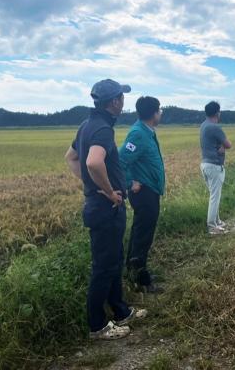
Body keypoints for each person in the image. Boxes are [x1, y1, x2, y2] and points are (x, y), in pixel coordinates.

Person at [64, 79, 147, 341]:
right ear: (114, 102)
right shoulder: (102, 129)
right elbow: (92, 161)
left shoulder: (86, 125)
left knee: (113, 261)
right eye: (122, 97)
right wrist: (109, 191)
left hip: (101, 206)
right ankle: (97, 325)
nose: (124, 101)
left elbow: (71, 158)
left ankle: (121, 311)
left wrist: (90, 185)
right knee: (103, 267)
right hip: (106, 208)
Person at [119, 96, 165, 293]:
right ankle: (140, 280)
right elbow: (121, 162)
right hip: (144, 192)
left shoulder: (146, 131)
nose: (161, 113)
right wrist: (130, 183)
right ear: (153, 113)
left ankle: (133, 271)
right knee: (142, 236)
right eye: (160, 110)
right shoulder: (138, 134)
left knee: (142, 232)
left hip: (150, 190)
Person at [199, 101, 232, 235]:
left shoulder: (203, 125)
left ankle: (217, 221)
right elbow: (229, 144)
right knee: (215, 197)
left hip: (205, 164)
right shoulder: (214, 127)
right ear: (217, 112)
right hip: (214, 166)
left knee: (214, 195)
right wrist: (224, 146)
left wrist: (221, 146)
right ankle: (212, 226)